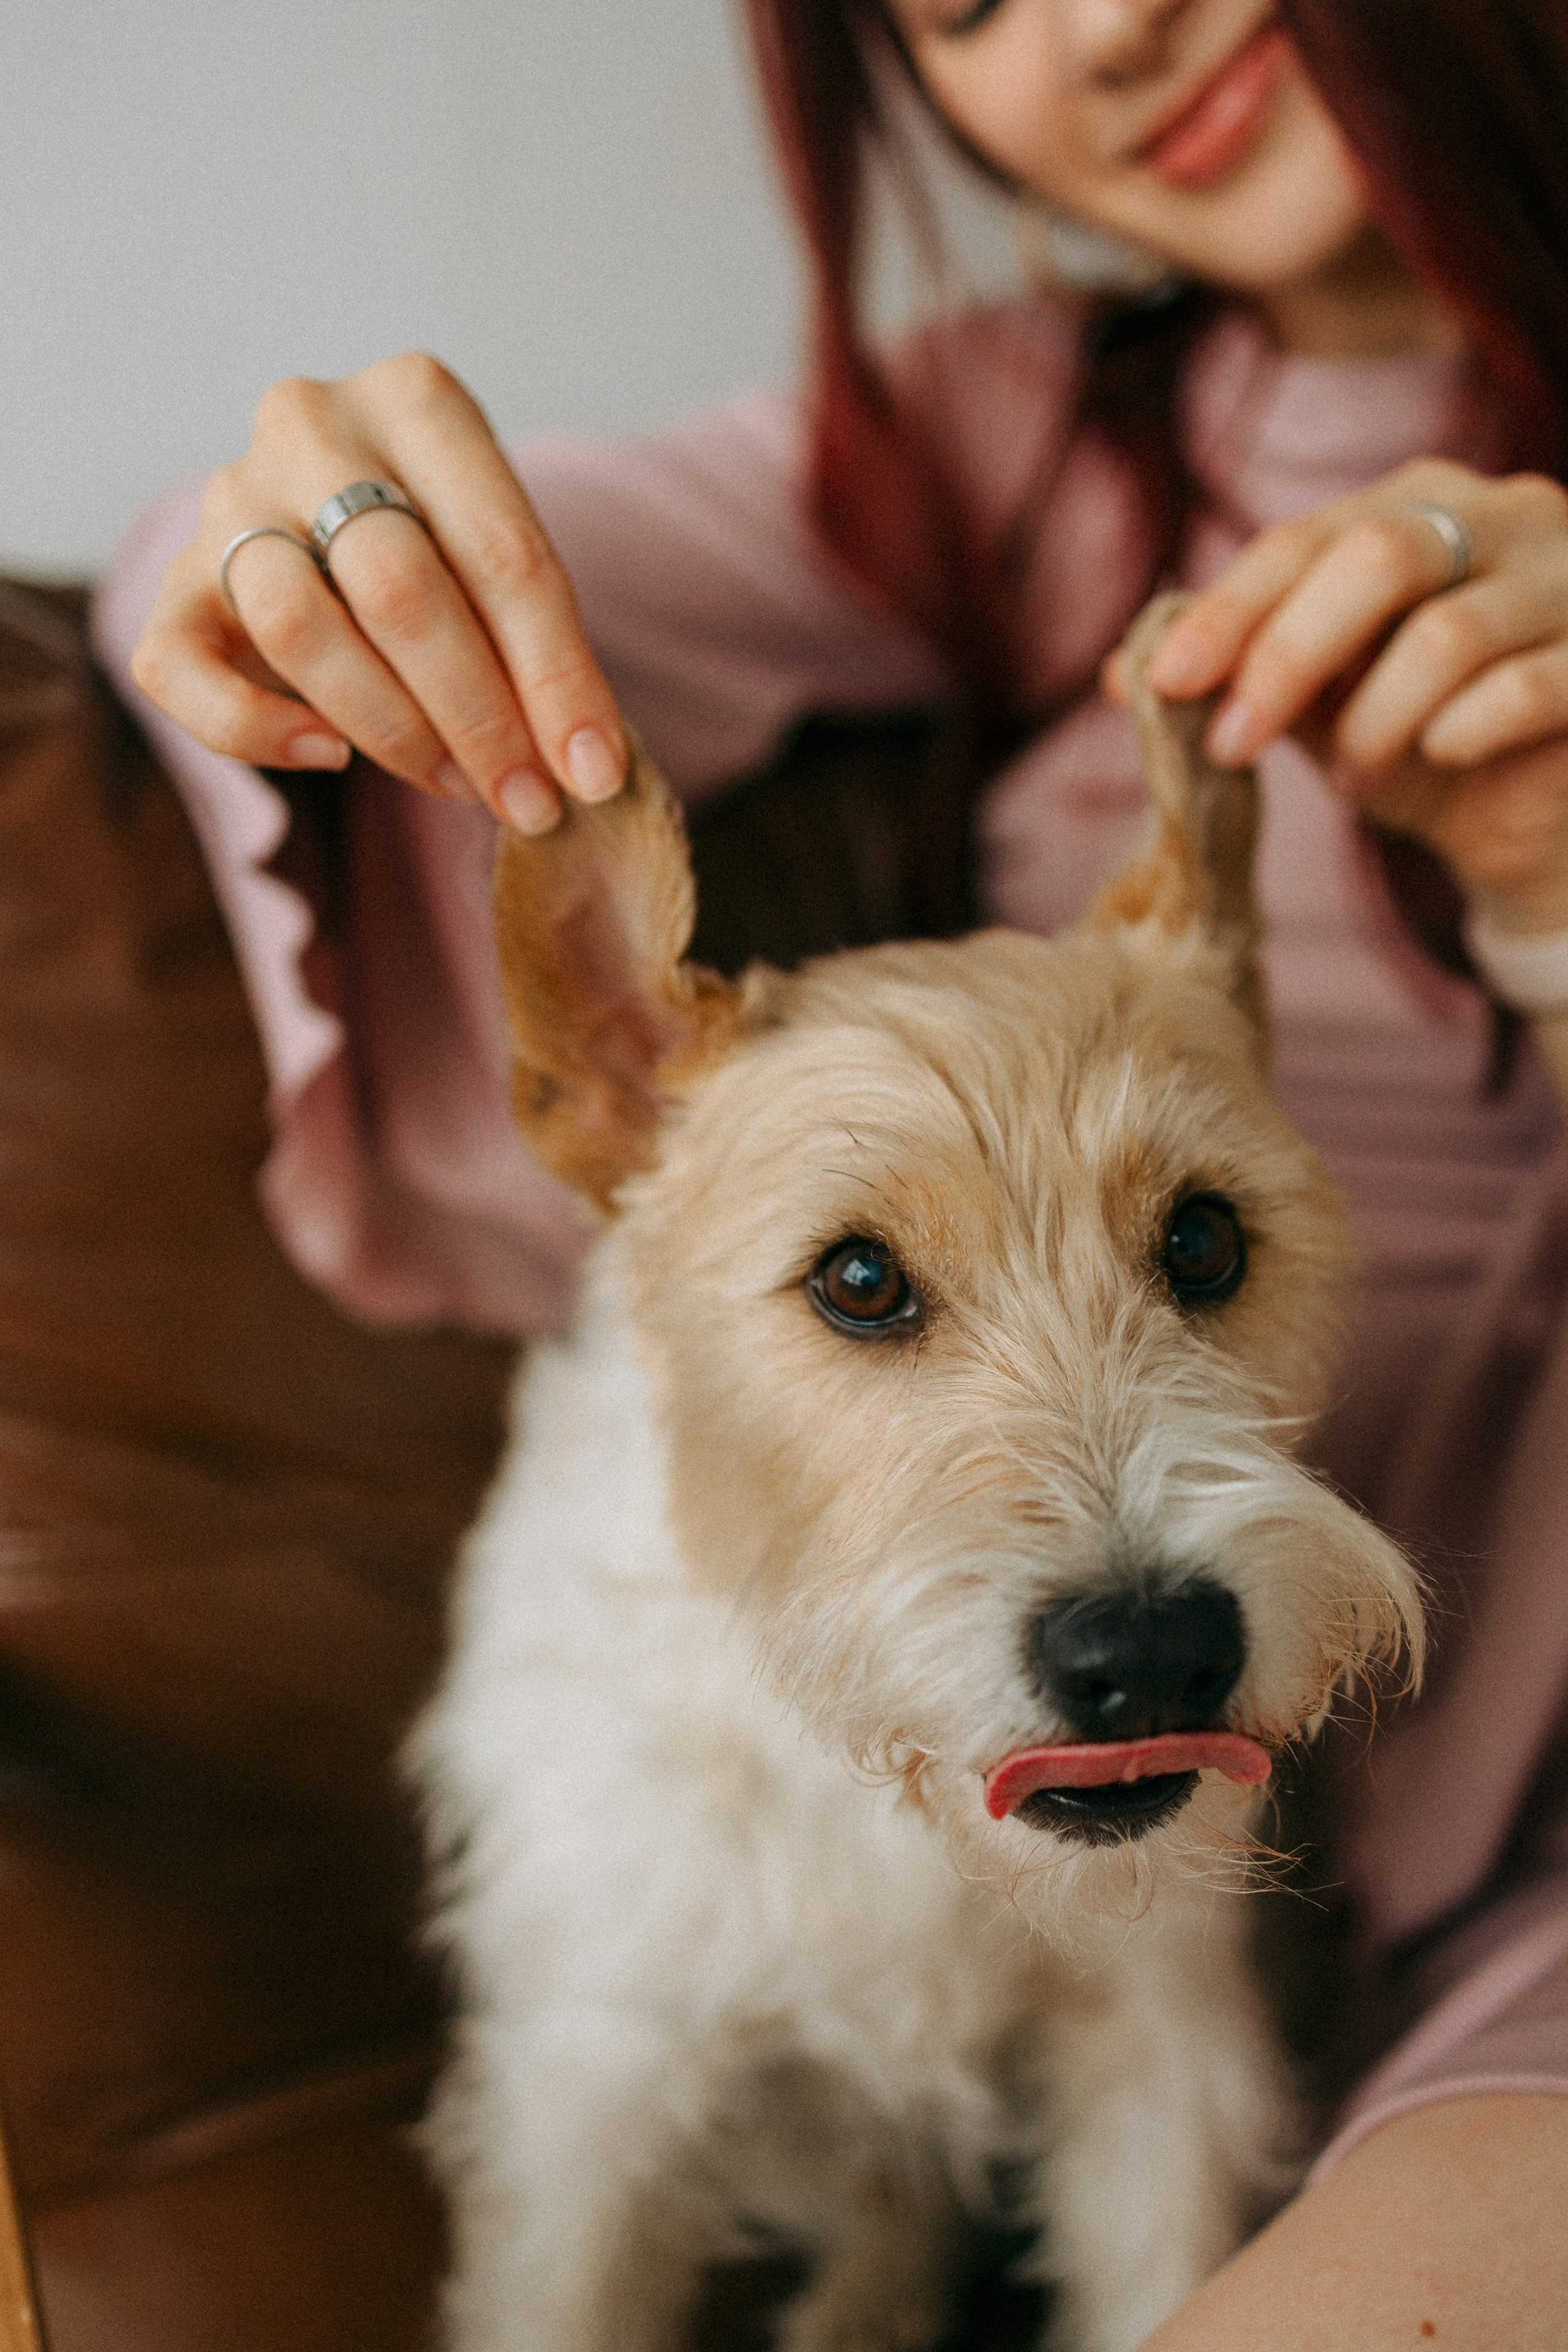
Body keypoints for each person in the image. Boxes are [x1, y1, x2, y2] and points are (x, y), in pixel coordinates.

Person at [99, 1, 1568, 2342]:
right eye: (968, 2)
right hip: (1267, 1780)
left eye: (1203, 1245)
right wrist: (299, 539)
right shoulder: (985, 442)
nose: (1107, 29)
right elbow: (282, 598)